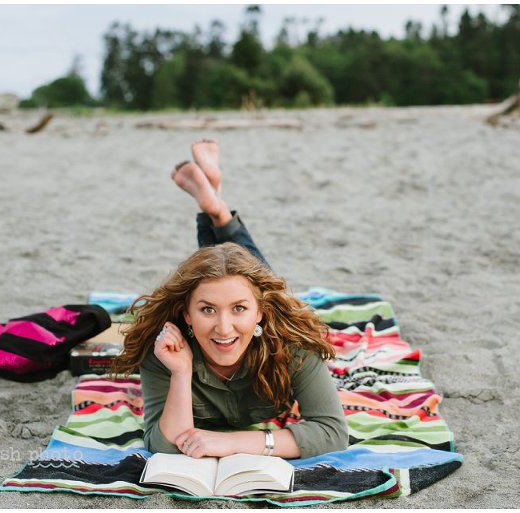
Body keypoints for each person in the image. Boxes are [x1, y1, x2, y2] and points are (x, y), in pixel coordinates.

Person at [111, 140, 348, 460]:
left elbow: (332, 433)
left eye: (239, 309)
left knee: (252, 277)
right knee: (220, 272)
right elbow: (164, 446)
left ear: (261, 314)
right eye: (207, 310)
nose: (224, 328)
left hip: (269, 309)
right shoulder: (165, 349)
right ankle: (217, 210)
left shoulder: (291, 342)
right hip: (214, 317)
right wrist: (181, 373)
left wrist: (234, 442)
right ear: (187, 316)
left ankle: (218, 212)